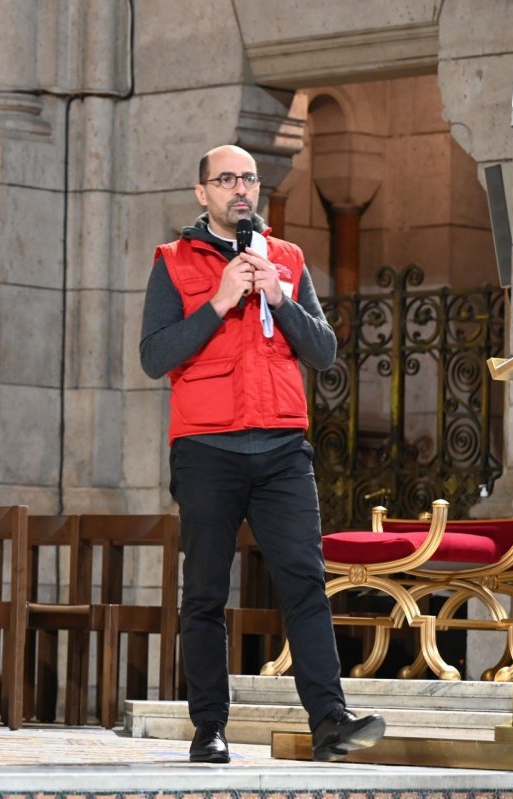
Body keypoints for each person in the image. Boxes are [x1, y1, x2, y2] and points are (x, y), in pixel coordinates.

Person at [139, 145, 385, 763]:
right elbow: (154, 356)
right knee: (204, 591)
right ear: (203, 193)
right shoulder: (173, 261)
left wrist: (282, 298)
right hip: (206, 448)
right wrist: (219, 300)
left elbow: (324, 352)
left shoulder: (289, 259)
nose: (240, 189)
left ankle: (329, 720)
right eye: (226, 180)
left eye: (247, 178)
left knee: (304, 581)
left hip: (281, 446)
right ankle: (209, 728)